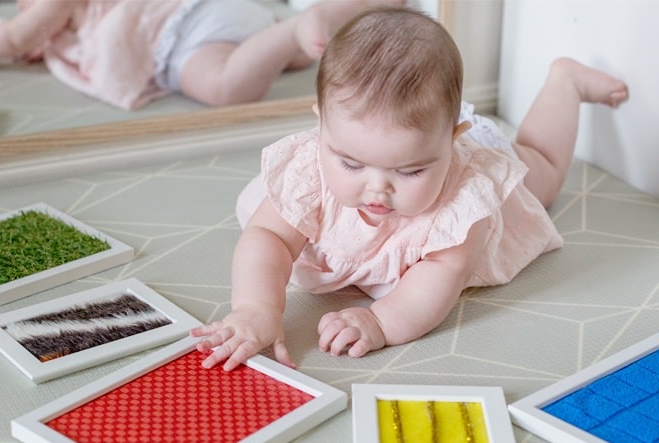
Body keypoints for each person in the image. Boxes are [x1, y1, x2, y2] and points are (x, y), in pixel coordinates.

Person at [190, 5, 629, 370]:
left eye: (410, 172)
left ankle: (564, 84)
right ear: (321, 125)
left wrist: (381, 322)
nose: (377, 189)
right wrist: (255, 308)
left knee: (542, 174)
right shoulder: (309, 172)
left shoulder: (463, 200)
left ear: (453, 141)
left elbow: (440, 275)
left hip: (474, 190)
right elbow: (268, 238)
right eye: (350, 163)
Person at [0, 0, 403, 109]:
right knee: (289, 54)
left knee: (222, 85)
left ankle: (298, 31)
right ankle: (372, 6)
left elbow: (14, 38)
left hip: (186, 38)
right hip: (221, 11)